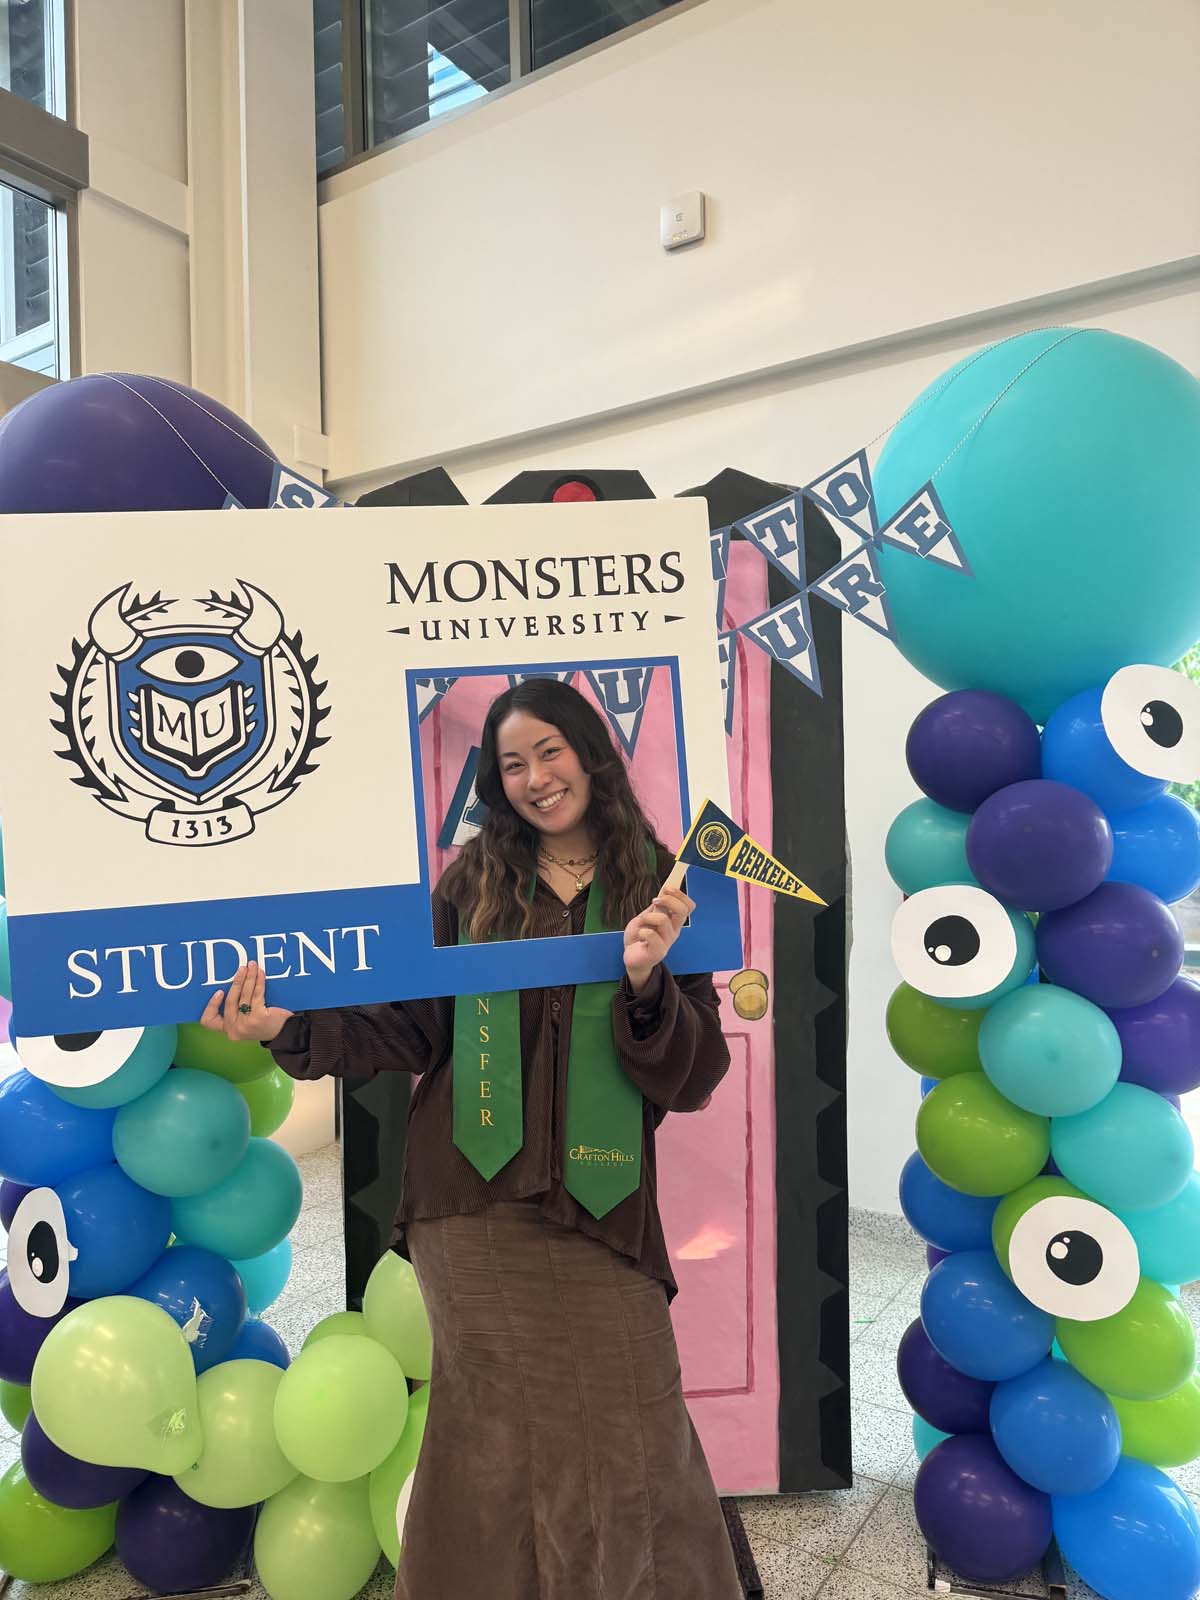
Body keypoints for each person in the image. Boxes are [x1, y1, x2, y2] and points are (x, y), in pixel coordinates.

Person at [200, 677, 742, 1600]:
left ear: (591, 753)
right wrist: (286, 1028)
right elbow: (409, 1031)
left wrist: (648, 982)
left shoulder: (666, 882)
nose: (536, 777)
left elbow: (693, 1080)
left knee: (635, 1424)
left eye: (551, 752)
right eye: (513, 763)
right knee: (491, 1436)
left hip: (601, 1206)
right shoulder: (472, 884)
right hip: (472, 1205)